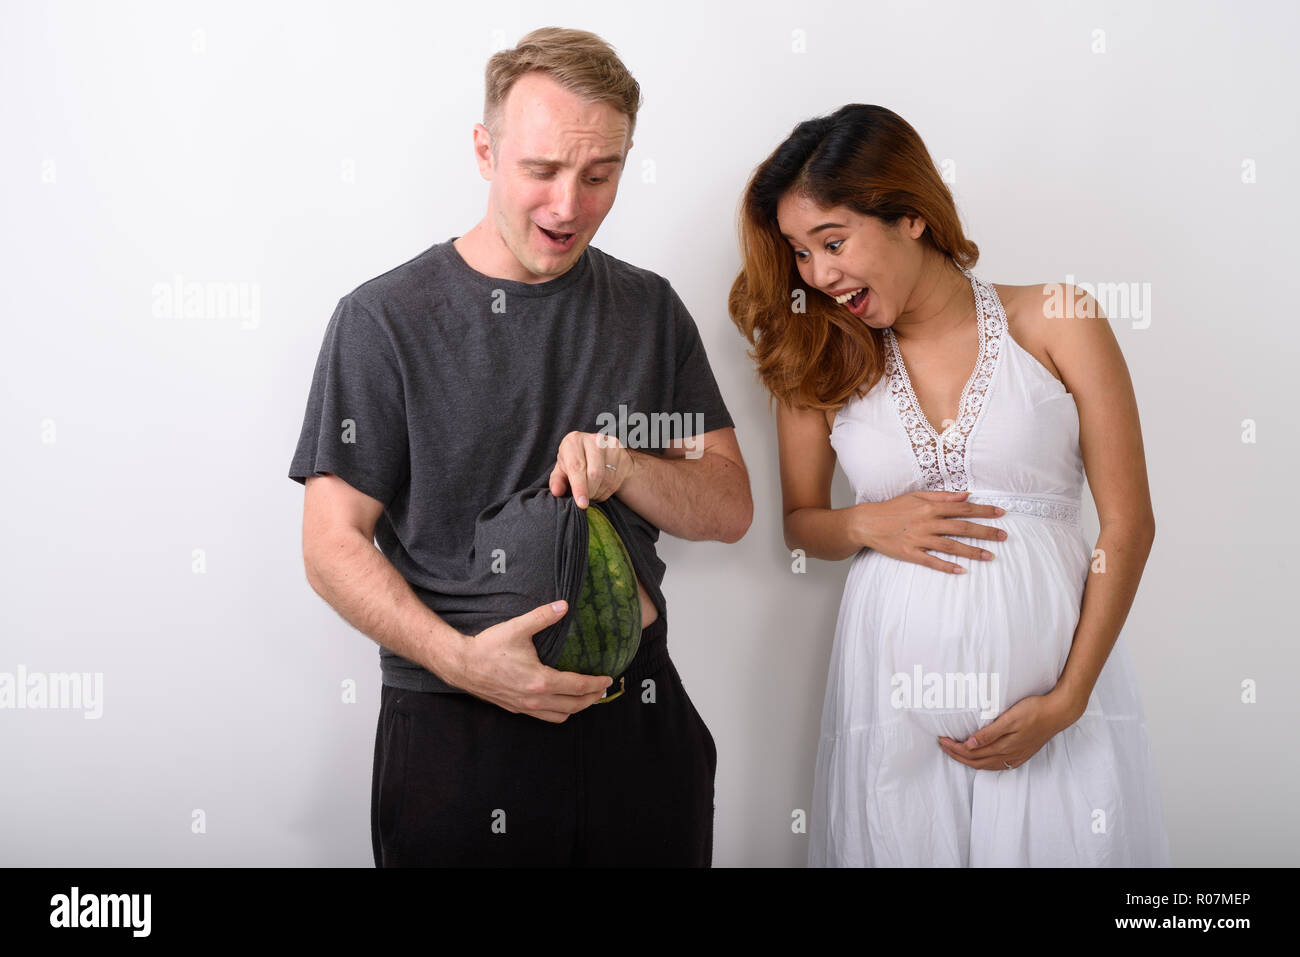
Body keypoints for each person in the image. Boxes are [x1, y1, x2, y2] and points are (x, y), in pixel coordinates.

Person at [288, 26, 752, 867]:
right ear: (485, 148)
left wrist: (629, 464)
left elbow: (729, 506)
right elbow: (330, 543)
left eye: (600, 174)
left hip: (638, 718)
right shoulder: (382, 321)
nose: (568, 204)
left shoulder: (650, 310)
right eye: (541, 170)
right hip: (456, 734)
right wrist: (466, 663)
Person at [728, 104, 1170, 866]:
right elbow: (803, 521)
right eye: (800, 253)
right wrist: (867, 524)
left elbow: (1129, 527)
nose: (818, 275)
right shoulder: (817, 357)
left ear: (910, 216)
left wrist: (1067, 701)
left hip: (1053, 704)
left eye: (832, 242)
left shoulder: (1057, 318)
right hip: (892, 701)